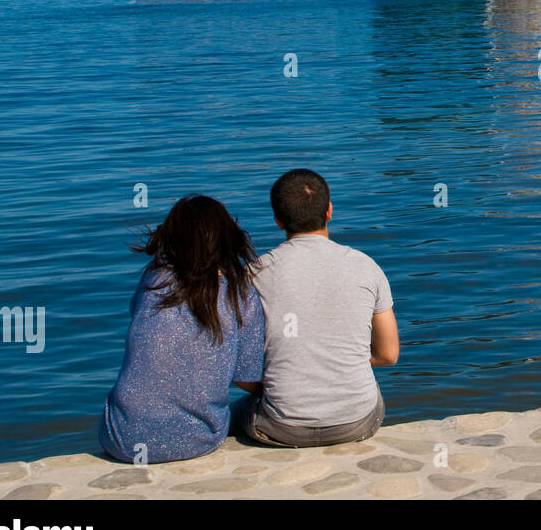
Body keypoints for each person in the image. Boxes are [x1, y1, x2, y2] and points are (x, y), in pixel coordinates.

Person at [236, 169, 399, 448]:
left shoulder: (254, 275)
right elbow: (388, 355)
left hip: (282, 427)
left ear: (277, 220)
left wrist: (286, 378)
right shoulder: (366, 267)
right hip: (358, 421)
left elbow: (240, 371)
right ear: (330, 211)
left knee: (236, 410)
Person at [100, 195, 265, 464]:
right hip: (198, 439)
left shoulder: (152, 279)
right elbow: (246, 379)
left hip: (121, 438)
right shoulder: (241, 293)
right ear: (227, 238)